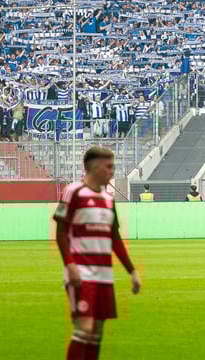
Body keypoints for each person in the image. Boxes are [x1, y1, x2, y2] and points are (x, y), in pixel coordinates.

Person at [54, 147, 141, 360]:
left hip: (104, 276)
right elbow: (61, 231)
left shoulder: (108, 199)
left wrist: (132, 271)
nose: (112, 172)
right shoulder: (73, 192)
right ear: (94, 167)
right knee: (84, 328)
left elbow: (114, 238)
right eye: (109, 167)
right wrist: (70, 265)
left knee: (96, 333)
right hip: (81, 273)